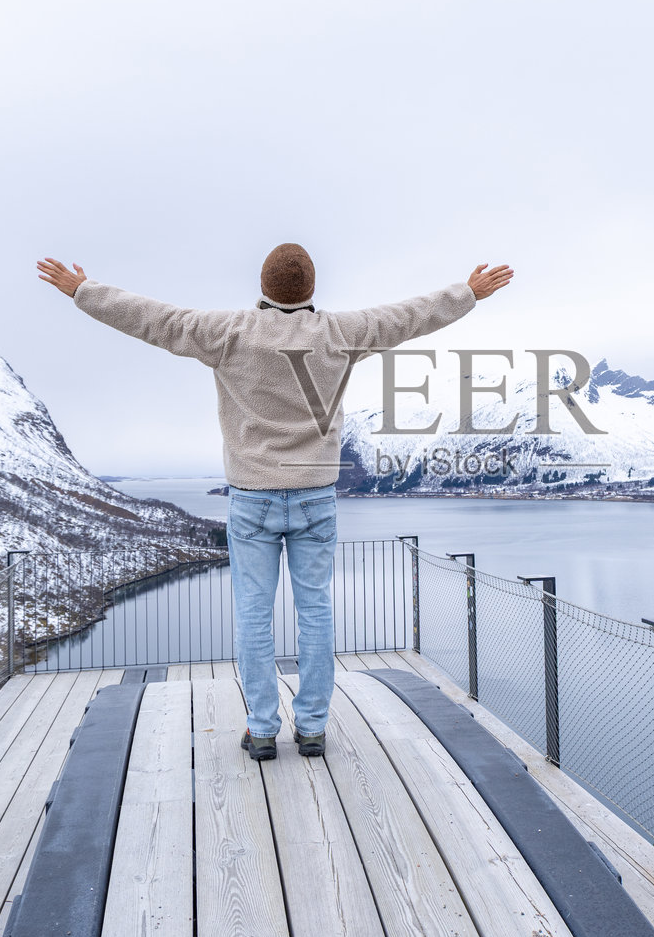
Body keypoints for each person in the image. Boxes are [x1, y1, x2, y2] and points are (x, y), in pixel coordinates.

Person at [38, 246, 513, 760]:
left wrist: (83, 292)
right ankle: (311, 727)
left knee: (253, 616)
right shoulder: (341, 333)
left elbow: (153, 319)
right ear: (311, 289)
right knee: (316, 613)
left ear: (263, 286)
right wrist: (467, 293)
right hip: (316, 499)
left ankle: (262, 729)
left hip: (252, 500)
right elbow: (409, 317)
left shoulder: (228, 332)